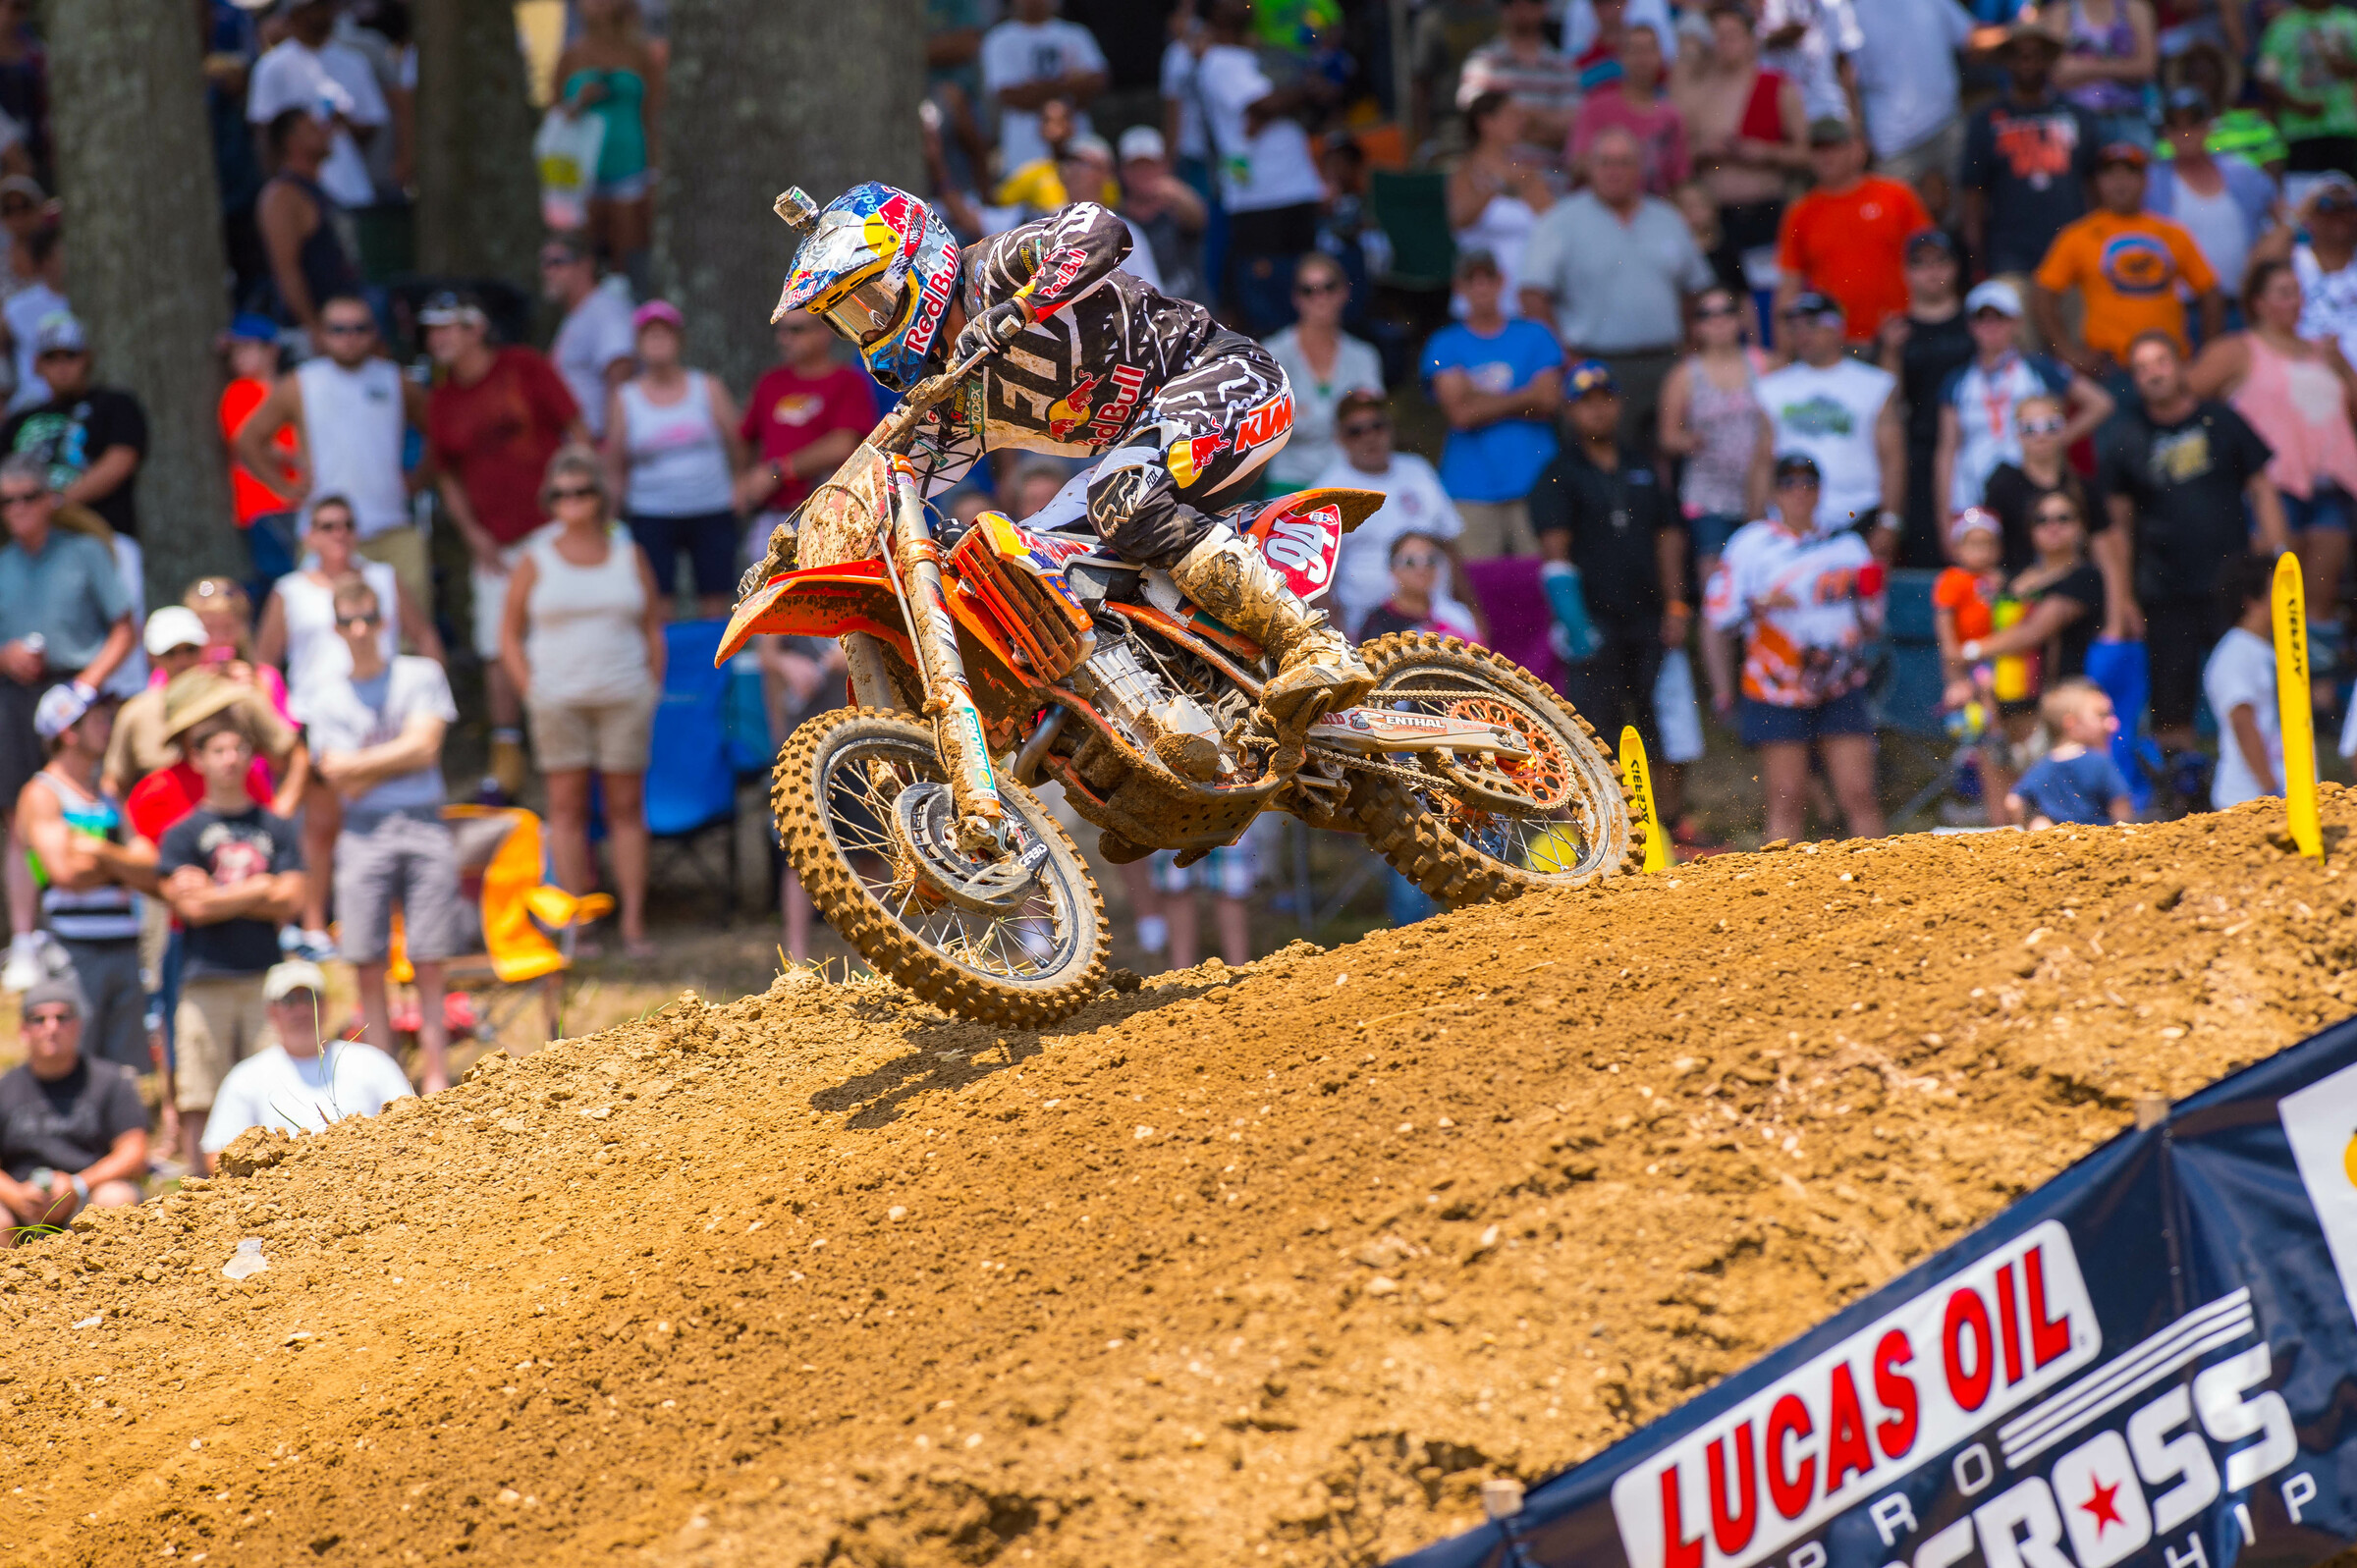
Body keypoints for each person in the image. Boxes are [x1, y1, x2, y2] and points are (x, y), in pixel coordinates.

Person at [781, 185, 1372, 732]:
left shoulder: (992, 269)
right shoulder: (949, 401)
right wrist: (797, 541)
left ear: (918, 258)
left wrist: (1020, 307)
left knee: (1120, 492)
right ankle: (1155, 719)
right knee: (1019, 565)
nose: (870, 323)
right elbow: (884, 480)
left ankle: (1311, 642)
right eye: (849, 317)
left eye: (872, 298)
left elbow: (1101, 228)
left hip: (1228, 377)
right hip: (1149, 443)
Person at [299, 574, 461, 1093]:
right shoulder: (324, 695)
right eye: (349, 621)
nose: (361, 628)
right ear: (336, 629)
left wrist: (361, 766)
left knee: (430, 956)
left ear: (385, 621)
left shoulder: (421, 673)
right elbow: (336, 775)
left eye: (369, 617)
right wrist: (399, 754)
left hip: (424, 820)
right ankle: (387, 1079)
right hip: (362, 831)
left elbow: (426, 749)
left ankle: (435, 1075)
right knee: (366, 958)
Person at [421, 290, 585, 799]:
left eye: (448, 327)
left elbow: (576, 432)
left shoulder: (523, 366)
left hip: (555, 529)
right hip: (494, 543)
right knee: (497, 646)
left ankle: (573, 744)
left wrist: (585, 510)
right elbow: (445, 475)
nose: (438, 339)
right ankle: (507, 754)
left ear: (477, 329)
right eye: (432, 330)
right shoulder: (442, 398)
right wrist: (472, 535)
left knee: (564, 631)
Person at [501, 449, 664, 959]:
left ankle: (634, 926)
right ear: (550, 500)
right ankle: (580, 928)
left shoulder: (627, 551)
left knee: (626, 811)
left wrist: (650, 688)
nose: (572, 501)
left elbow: (653, 627)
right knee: (566, 811)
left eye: (582, 491)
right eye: (562, 493)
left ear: (600, 496)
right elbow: (507, 632)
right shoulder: (535, 556)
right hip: (558, 700)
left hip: (624, 695)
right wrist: (530, 688)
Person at [253, 495, 436, 946]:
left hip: (384, 716)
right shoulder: (291, 589)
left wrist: (429, 696)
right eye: (327, 525)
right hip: (317, 718)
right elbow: (265, 661)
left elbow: (425, 635)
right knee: (320, 827)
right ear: (309, 535)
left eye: (347, 524)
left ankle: (389, 930)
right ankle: (316, 926)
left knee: (384, 820)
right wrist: (277, 724)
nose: (339, 533)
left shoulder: (382, 579)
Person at [2098, 332, 2288, 751]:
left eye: (2161, 361)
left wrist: (2276, 558)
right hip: (2164, 590)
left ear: (2182, 364)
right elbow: (2118, 525)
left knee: (2246, 690)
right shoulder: (2125, 436)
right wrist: (2125, 595)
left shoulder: (2222, 420)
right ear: (2133, 377)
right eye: (2142, 367)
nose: (2154, 374)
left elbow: (2262, 487)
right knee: (2170, 701)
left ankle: (2259, 787)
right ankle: (2180, 792)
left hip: (2233, 585)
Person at [1530, 361, 1690, 826]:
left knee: (1660, 722)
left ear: (1617, 403)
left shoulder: (1641, 463)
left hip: (1649, 615)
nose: (1597, 410)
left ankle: (1670, 822)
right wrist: (1575, 622)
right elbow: (1555, 554)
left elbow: (1669, 535)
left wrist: (1677, 603)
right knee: (1595, 724)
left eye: (1605, 399)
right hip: (1595, 621)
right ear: (1570, 410)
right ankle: (1602, 824)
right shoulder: (1558, 473)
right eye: (1586, 402)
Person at [1703, 451, 1887, 842]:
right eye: (1789, 484)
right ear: (1775, 492)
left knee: (1859, 794)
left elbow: (1872, 619)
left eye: (1809, 483)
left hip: (1839, 681)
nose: (1800, 492)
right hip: (1777, 686)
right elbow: (1719, 611)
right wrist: (1760, 603)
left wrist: (1863, 599)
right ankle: (1776, 895)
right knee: (1787, 798)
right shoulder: (1751, 543)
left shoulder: (1846, 544)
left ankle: (1881, 885)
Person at [2187, 258, 2357, 682]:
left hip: (2329, 484)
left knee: (2320, 596)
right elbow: (2186, 401)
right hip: (2272, 486)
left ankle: (2316, 698)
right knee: (2273, 591)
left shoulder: (2326, 351)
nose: (2293, 302)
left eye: (2297, 292)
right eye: (2282, 292)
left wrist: (2344, 371)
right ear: (2258, 302)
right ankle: (2266, 686)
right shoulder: (2237, 349)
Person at [0, 455, 132, 989]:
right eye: (7, 501)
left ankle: (97, 922)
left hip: (77, 692)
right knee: (19, 822)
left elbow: (124, 626)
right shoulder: (3, 563)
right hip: (13, 696)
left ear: (50, 499)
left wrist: (85, 687)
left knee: (92, 801)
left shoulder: (84, 553)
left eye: (28, 496)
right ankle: (29, 935)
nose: (18, 509)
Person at [155, 709, 303, 1172]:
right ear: (197, 760)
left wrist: (220, 894)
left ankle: (275, 1187)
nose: (231, 759)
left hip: (266, 975)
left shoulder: (275, 827)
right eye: (219, 750)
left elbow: (293, 898)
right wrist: (260, 889)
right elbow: (190, 908)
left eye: (239, 749)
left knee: (273, 1086)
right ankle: (200, 1192)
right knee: (199, 1091)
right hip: (203, 976)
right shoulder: (182, 834)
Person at [232, 293, 434, 622]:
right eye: (338, 329)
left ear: (373, 333)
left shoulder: (396, 380)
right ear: (322, 335)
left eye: (359, 328)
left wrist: (420, 478)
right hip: (326, 533)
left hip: (392, 527)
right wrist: (284, 487)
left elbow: (439, 434)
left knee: (409, 631)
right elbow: (250, 440)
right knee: (325, 632)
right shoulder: (301, 383)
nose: (349, 337)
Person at [1518, 126, 1711, 456]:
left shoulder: (1668, 220)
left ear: (1640, 169)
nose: (1614, 171)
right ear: (1590, 168)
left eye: (1624, 162)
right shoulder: (1561, 222)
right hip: (1593, 363)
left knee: (1668, 468)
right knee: (1600, 465)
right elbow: (1532, 296)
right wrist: (1565, 358)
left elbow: (1696, 289)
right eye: (1605, 162)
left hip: (1666, 363)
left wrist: (1692, 347)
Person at [15, 683, 154, 1073]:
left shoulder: (106, 797)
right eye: (97, 718)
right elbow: (64, 873)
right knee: (81, 1066)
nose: (108, 725)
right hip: (75, 951)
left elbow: (150, 866)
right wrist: (123, 867)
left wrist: (99, 852)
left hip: (125, 946)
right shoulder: (42, 793)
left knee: (128, 1074)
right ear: (67, 730)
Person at [1956, 491, 2108, 817]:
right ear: (2030, 530)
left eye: (2063, 518)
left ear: (2080, 527)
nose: (2052, 527)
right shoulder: (2009, 579)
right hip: (1999, 705)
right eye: (2042, 520)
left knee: (2053, 815)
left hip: (2053, 709)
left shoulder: (2085, 577)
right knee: (2004, 820)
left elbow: (2034, 632)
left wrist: (1970, 650)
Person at [2032, 143, 2223, 382]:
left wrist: (2207, 355)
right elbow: (2042, 295)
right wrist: (2069, 354)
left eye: (2130, 173)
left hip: (2169, 364)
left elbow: (2210, 291)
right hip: (2111, 367)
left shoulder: (2172, 233)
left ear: (2145, 180)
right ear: (2098, 182)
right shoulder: (2078, 236)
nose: (2120, 182)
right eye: (2111, 174)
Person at [1931, 280, 2113, 528]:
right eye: (1982, 318)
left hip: (2031, 488)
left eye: (2000, 318)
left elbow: (2100, 403)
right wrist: (1944, 517)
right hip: (1972, 492)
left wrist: (2054, 440)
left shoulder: (2039, 369)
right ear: (1971, 326)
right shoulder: (1958, 380)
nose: (1991, 326)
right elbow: (1947, 449)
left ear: (2016, 322)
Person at [605, 298, 745, 620]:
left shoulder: (707, 387)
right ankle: (667, 668)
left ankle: (714, 667)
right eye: (649, 334)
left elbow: (736, 441)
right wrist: (610, 518)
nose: (657, 340)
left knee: (716, 598)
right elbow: (615, 464)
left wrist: (740, 483)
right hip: (651, 511)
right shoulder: (625, 398)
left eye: (664, 333)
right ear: (638, 344)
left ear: (679, 341)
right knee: (657, 601)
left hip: (711, 506)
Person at [1196, 0, 1331, 334]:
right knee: (1268, 310)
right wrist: (1302, 93)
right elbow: (1263, 103)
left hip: (1300, 188)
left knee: (1310, 295)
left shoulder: (1265, 54)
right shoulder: (1216, 62)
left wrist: (1281, 103)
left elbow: (1279, 104)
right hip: (1257, 198)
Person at [1427, 248, 1563, 562]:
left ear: (1502, 281)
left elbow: (1548, 400)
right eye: (1471, 279)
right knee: (1479, 587)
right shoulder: (1444, 342)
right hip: (1470, 485)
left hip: (1536, 479)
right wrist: (1524, 395)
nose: (1481, 287)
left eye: (1487, 277)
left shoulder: (1535, 334)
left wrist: (1477, 397)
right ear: (1459, 287)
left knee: (1541, 580)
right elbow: (1460, 414)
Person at [199, 958, 414, 1156]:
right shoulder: (247, 1077)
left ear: (326, 1005)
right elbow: (219, 1151)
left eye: (310, 998)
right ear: (271, 1011)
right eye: (289, 1000)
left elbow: (410, 1122)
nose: (302, 1009)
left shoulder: (371, 1062)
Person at [1752, 293, 1904, 554]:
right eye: (1795, 326)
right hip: (1790, 522)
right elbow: (1763, 461)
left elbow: (1892, 457)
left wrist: (1890, 521)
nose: (1802, 334)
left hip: (1859, 514)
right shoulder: (1772, 388)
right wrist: (1755, 525)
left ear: (1837, 327)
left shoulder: (1874, 384)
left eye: (1812, 324)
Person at [1315, 391, 1475, 639]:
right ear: (1340, 439)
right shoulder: (1326, 492)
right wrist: (1339, 639)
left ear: (1390, 428)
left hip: (1438, 616)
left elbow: (1450, 549)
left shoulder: (1418, 470)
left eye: (1377, 426)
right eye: (1356, 431)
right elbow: (1318, 581)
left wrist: (1474, 612)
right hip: (1368, 627)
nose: (1369, 437)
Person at [0, 970, 146, 1238]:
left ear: (79, 1025)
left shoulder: (111, 1081)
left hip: (88, 1195)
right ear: (23, 1029)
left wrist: (77, 1185)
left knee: (116, 1198)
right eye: (39, 1019)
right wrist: (16, 1195)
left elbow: (134, 1151)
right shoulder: (4, 1088)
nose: (51, 1027)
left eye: (62, 1017)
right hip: (21, 1203)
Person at [1961, 23, 2101, 301]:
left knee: (2074, 340)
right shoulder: (1984, 120)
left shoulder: (2079, 116)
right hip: (2010, 255)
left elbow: (2093, 187)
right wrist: (1976, 260)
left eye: (2038, 55)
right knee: (2016, 342)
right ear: (2006, 61)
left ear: (2050, 60)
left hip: (2072, 255)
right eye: (2020, 55)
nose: (2029, 63)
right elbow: (1973, 195)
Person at [1675, 2, 1809, 288]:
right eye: (1718, 36)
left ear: (1751, 40)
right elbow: (1677, 150)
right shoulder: (1700, 90)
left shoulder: (1777, 85)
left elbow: (1806, 153)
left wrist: (1763, 152)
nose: (1724, 44)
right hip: (1717, 219)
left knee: (1769, 295)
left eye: (1732, 35)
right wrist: (1704, 149)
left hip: (1765, 211)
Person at [1774, 117, 1933, 347]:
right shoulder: (1800, 212)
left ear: (1857, 149)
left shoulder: (1896, 196)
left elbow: (1930, 258)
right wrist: (1784, 349)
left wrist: (1929, 319)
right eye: (1817, 149)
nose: (1825, 156)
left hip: (1902, 332)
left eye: (1833, 147)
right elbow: (1790, 285)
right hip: (1835, 344)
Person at [1660, 284, 1772, 591]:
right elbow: (1667, 437)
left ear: (1740, 318)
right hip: (1709, 495)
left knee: (1764, 580)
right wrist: (1688, 440)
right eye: (1707, 314)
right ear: (1696, 326)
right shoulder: (1684, 376)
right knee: (1717, 586)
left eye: (1727, 311)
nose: (1719, 320)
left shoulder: (1765, 364)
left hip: (1763, 492)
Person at [0, 311, 146, 542]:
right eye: (51, 357)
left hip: (104, 535)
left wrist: (55, 504)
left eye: (70, 355)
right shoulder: (20, 419)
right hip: (33, 544)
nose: (62, 366)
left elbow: (121, 460)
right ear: (37, 364)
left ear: (87, 358)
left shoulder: (115, 404)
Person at [737, 307, 877, 547]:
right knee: (766, 585)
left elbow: (844, 444)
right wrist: (741, 480)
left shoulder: (848, 381)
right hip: (771, 516)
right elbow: (745, 437)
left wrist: (778, 470)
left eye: (796, 330)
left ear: (825, 332)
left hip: (829, 512)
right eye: (781, 331)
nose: (785, 338)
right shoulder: (770, 382)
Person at [1880, 230, 1976, 568]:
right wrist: (1890, 353)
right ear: (1906, 272)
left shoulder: (1976, 321)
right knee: (1926, 543)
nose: (1932, 272)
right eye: (1920, 264)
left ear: (1954, 267)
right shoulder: (1898, 331)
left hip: (1973, 444)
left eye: (1940, 262)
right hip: (1919, 448)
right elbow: (1890, 405)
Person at [552, 0, 664, 281]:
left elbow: (654, 117)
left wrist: (655, 174)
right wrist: (579, 102)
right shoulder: (571, 56)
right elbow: (555, 120)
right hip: (582, 176)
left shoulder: (640, 54)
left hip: (631, 171)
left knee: (628, 258)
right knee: (585, 257)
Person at [245, 0, 388, 217]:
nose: (319, 16)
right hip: (297, 195)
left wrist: (343, 122)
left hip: (351, 189)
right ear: (294, 15)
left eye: (324, 8)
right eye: (311, 9)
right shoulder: (270, 67)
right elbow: (263, 131)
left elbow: (371, 124)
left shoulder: (354, 63)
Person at [1262, 252, 1384, 493]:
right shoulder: (1271, 354)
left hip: (1351, 483)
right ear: (1296, 298)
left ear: (1344, 292)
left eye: (1329, 287)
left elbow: (1370, 424)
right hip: (1289, 486)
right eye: (1309, 290)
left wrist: (1303, 416)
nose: (1320, 297)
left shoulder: (1364, 356)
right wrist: (1341, 414)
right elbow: (1269, 429)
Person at [2145, 88, 2278, 301]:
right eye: (2175, 126)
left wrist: (2259, 260)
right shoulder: (2150, 180)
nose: (2185, 133)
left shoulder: (2241, 172)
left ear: (2209, 126)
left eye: (2193, 123)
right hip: (2176, 307)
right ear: (2165, 132)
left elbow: (2282, 219)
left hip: (2241, 303)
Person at [252, 106, 359, 342]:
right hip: (312, 336)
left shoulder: (320, 190)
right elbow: (286, 271)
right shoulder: (282, 195)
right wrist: (314, 329)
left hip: (344, 332)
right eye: (313, 128)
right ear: (291, 141)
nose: (326, 132)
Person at [1851, 0, 1974, 199]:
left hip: (1946, 126)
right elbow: (1849, 81)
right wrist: (1857, 134)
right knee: (1899, 225)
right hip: (1894, 145)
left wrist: (2018, 32)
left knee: (1959, 216)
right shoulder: (1853, 13)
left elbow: (1971, 38)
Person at [1449, 91, 1554, 319]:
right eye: (1512, 115)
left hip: (1526, 298)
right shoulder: (1465, 173)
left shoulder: (1527, 174)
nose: (1521, 122)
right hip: (1480, 302)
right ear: (1486, 122)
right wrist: (1496, 186)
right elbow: (1458, 218)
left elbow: (1552, 223)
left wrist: (1526, 184)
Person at [218, 313, 301, 585]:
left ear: (272, 350)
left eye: (246, 347)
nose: (238, 356)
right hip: (261, 507)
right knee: (279, 580)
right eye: (234, 350)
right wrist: (294, 457)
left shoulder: (290, 391)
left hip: (299, 503)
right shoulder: (239, 392)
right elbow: (248, 444)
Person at [981, 0, 1109, 176]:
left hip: (1078, 154)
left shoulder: (1076, 34)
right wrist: (1068, 84)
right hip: (1023, 157)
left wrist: (1035, 88)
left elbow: (1097, 82)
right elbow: (1010, 96)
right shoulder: (999, 39)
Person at [2201, 553, 2286, 810]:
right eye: (2277, 589)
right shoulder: (2236, 653)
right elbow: (2242, 722)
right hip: (2249, 800)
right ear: (2251, 601)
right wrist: (2272, 790)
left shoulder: (2263, 649)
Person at [1982, 393, 2100, 571]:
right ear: (2017, 434)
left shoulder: (2083, 485)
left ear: (2064, 428)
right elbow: (1988, 545)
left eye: (2050, 426)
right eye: (2030, 428)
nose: (2041, 435)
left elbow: (2105, 546)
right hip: (2016, 591)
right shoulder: (2002, 485)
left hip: (2074, 588)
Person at [540, 230, 637, 444]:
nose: (548, 271)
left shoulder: (605, 311)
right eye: (544, 262)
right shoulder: (577, 314)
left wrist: (611, 450)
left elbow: (621, 380)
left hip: (599, 444)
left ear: (586, 264)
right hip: (579, 447)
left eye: (557, 262)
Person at [1570, 25, 1687, 197]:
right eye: (1636, 51)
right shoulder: (1596, 105)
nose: (1643, 59)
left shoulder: (1672, 116)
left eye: (1649, 50)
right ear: (1622, 57)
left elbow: (1679, 179)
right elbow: (1576, 164)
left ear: (1660, 56)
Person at [1458, 0, 1581, 161]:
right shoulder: (1482, 62)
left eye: (1532, 1)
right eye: (1511, 2)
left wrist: (1513, 116)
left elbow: (1572, 128)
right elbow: (1476, 124)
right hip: (1494, 179)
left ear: (1545, 7)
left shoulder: (1564, 67)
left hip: (1554, 178)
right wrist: (1547, 124)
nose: (1522, 7)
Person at [2005, 678, 2133, 827]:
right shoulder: (2099, 763)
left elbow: (2013, 803)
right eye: (2102, 715)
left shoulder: (2042, 766)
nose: (2113, 724)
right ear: (2071, 723)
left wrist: (2036, 825)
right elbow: (2122, 811)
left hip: (2056, 845)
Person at [2257, 0, 2357, 187]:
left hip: (2347, 129)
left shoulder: (2351, 22)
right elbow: (2266, 79)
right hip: (2300, 132)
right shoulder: (2282, 27)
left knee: (2347, 200)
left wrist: (2349, 67)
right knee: (2304, 196)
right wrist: (2298, 105)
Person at [2042, 0, 2158, 149]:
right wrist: (2122, 65)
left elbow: (2146, 68)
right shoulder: (2062, 10)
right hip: (2076, 120)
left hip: (2130, 118)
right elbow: (2057, 74)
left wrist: (2082, 66)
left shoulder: (2135, 8)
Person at [1116, 127, 1208, 308]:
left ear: (1165, 166)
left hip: (1193, 314)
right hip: (1149, 321)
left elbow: (1200, 219)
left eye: (1150, 165)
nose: (1144, 173)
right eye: (1136, 167)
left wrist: (1175, 191)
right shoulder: (1116, 223)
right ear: (1122, 171)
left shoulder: (1177, 212)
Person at [1358, 531, 1481, 641]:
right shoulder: (1377, 622)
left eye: (1430, 560)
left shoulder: (1456, 614)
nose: (1422, 569)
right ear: (1393, 570)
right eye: (1410, 562)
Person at [2295, 175, 2357, 370]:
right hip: (2308, 370)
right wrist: (2299, 213)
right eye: (2326, 207)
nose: (2339, 215)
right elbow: (2256, 268)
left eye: (2348, 208)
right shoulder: (2294, 259)